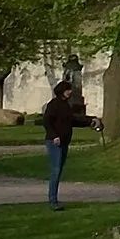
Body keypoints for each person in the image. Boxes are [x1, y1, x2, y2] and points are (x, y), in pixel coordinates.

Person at [42, 79, 77, 211]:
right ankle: (53, 200)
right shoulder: (54, 104)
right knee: (55, 170)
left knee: (59, 170)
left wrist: (90, 121)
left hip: (64, 140)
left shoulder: (66, 105)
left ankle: (54, 198)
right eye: (68, 89)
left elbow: (72, 120)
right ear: (62, 91)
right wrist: (54, 135)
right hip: (55, 141)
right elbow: (47, 121)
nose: (70, 92)